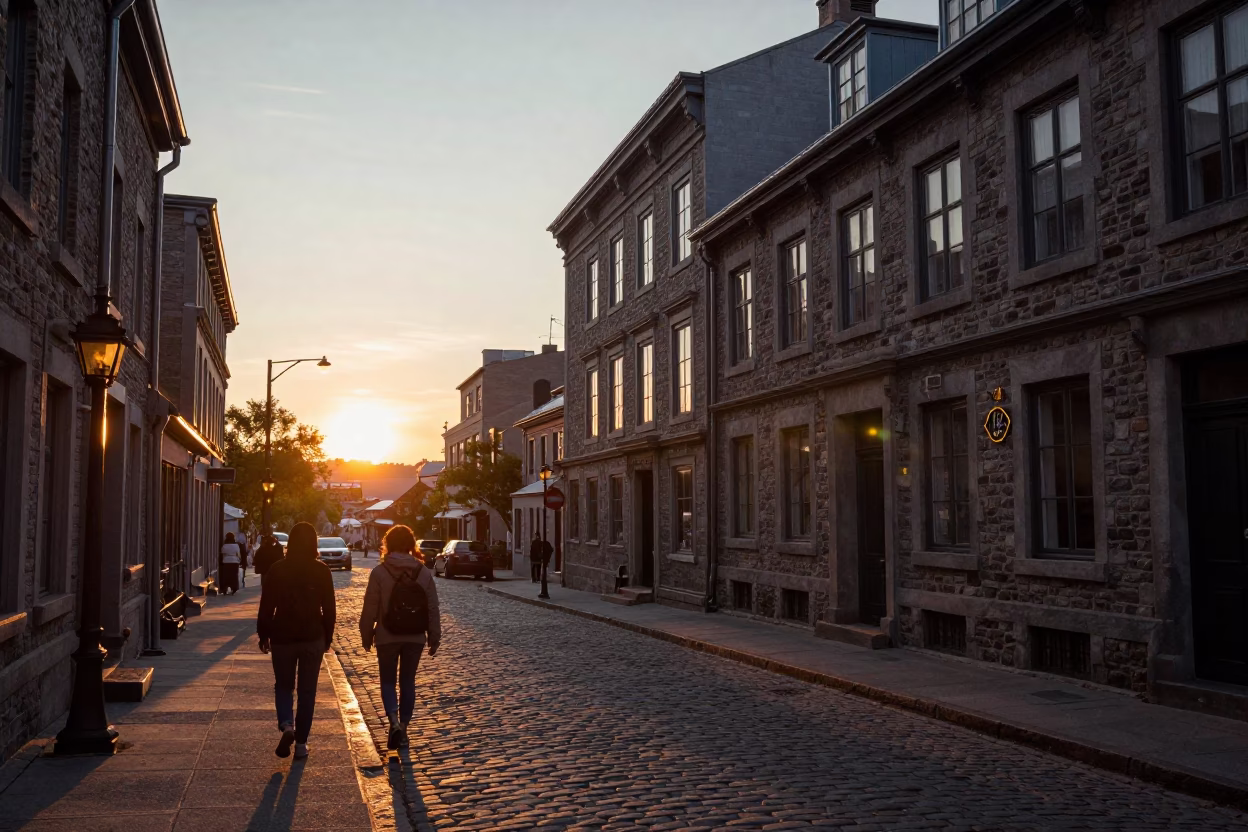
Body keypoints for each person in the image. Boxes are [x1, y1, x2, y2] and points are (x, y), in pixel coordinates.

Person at [257, 522, 335, 760]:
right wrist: (327, 637)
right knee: (307, 692)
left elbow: (267, 606)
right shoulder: (322, 570)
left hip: (282, 636)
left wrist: (264, 634)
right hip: (312, 636)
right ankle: (301, 744)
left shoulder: (278, 569)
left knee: (283, 685)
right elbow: (329, 609)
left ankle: (287, 725)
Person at [359, 524, 441, 751]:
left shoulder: (379, 572)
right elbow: (432, 607)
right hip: (415, 636)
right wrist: (434, 635)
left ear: (388, 544)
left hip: (387, 635)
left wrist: (366, 633)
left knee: (387, 681)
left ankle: (393, 721)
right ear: (410, 545)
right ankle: (403, 728)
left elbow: (370, 607)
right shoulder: (422, 572)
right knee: (408, 682)